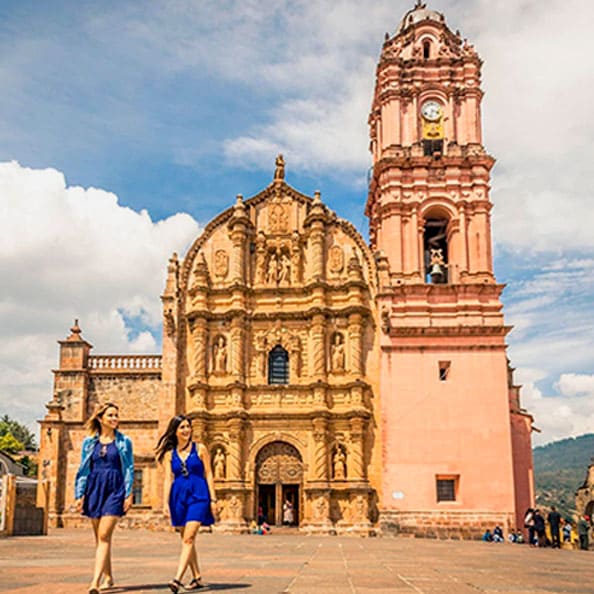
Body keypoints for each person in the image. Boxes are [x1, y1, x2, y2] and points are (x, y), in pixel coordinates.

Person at [74, 402, 134, 594]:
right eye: (111, 415)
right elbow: (84, 469)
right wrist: (80, 494)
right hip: (94, 487)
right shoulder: (89, 442)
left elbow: (129, 469)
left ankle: (95, 582)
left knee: (103, 535)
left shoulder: (124, 442)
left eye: (116, 415)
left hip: (115, 488)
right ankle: (108, 577)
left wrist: (129, 493)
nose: (115, 418)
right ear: (100, 419)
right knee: (100, 538)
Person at [156, 415, 216, 592]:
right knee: (186, 540)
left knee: (189, 538)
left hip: (199, 495)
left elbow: (209, 474)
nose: (186, 430)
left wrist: (213, 499)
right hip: (178, 497)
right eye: (182, 427)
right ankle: (197, 577)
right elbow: (168, 479)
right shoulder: (169, 454)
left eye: (188, 427)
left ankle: (177, 579)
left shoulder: (201, 449)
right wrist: (165, 503)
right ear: (175, 430)